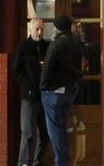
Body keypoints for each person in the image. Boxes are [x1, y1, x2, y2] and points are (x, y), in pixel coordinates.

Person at [40, 15, 83, 166]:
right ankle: (65, 161)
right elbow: (79, 67)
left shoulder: (56, 44)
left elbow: (47, 68)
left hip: (54, 93)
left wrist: (43, 87)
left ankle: (61, 163)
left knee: (55, 131)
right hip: (69, 91)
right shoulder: (76, 43)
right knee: (62, 128)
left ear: (57, 28)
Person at [14, 18, 50, 166]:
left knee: (45, 133)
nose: (40, 32)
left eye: (42, 29)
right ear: (30, 29)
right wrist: (28, 88)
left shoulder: (47, 46)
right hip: (29, 98)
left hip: (46, 97)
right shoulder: (23, 47)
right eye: (37, 29)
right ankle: (23, 163)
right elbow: (17, 72)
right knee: (28, 133)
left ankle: (37, 162)